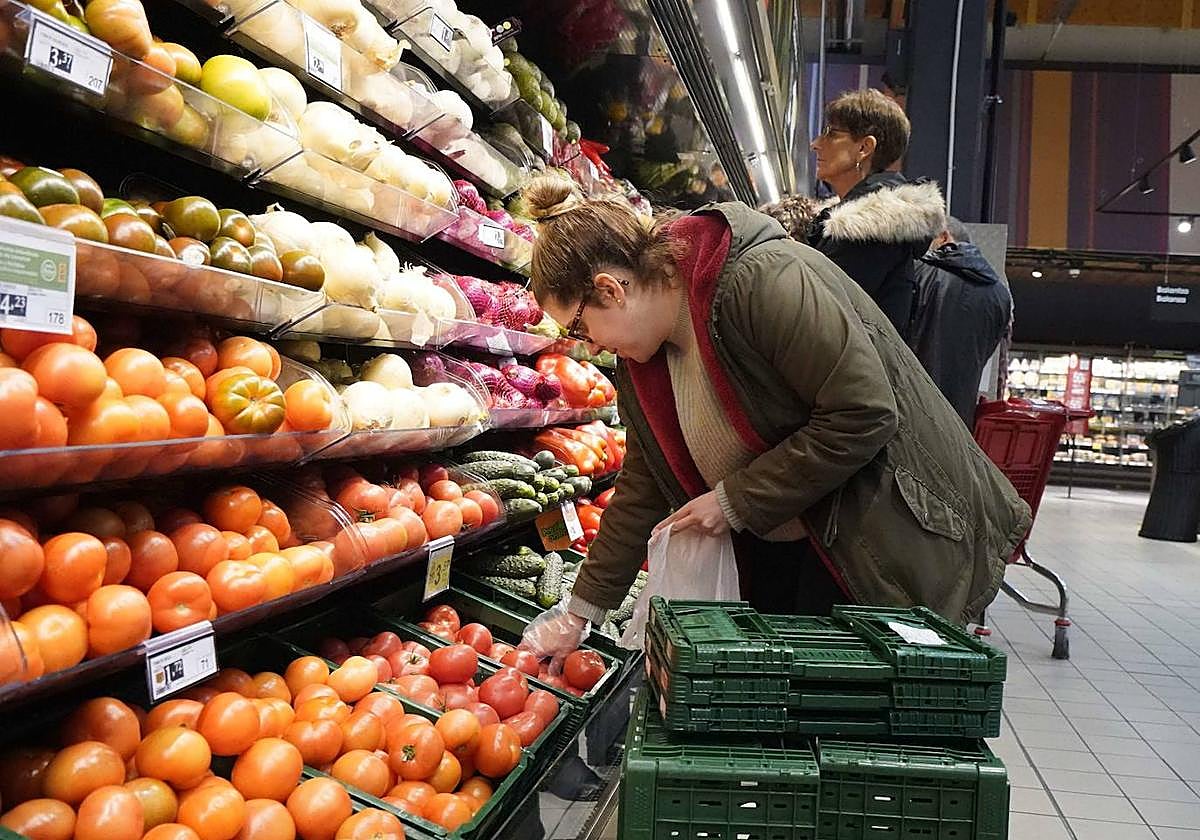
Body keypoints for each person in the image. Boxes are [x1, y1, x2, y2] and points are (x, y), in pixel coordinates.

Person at [516, 176, 1032, 662]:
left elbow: (863, 413)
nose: (590, 346)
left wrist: (735, 500)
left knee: (846, 723)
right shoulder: (643, 360)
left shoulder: (761, 281)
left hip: (877, 531)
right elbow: (643, 481)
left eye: (581, 328)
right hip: (789, 542)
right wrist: (580, 611)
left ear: (611, 289)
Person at [808, 89, 945, 340]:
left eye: (832, 134)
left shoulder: (866, 229)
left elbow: (812, 319)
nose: (815, 144)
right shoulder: (865, 221)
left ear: (864, 147)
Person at [910, 218, 1014, 428]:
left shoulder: (918, 273)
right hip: (960, 421)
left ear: (943, 237)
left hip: (913, 410)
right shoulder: (1000, 295)